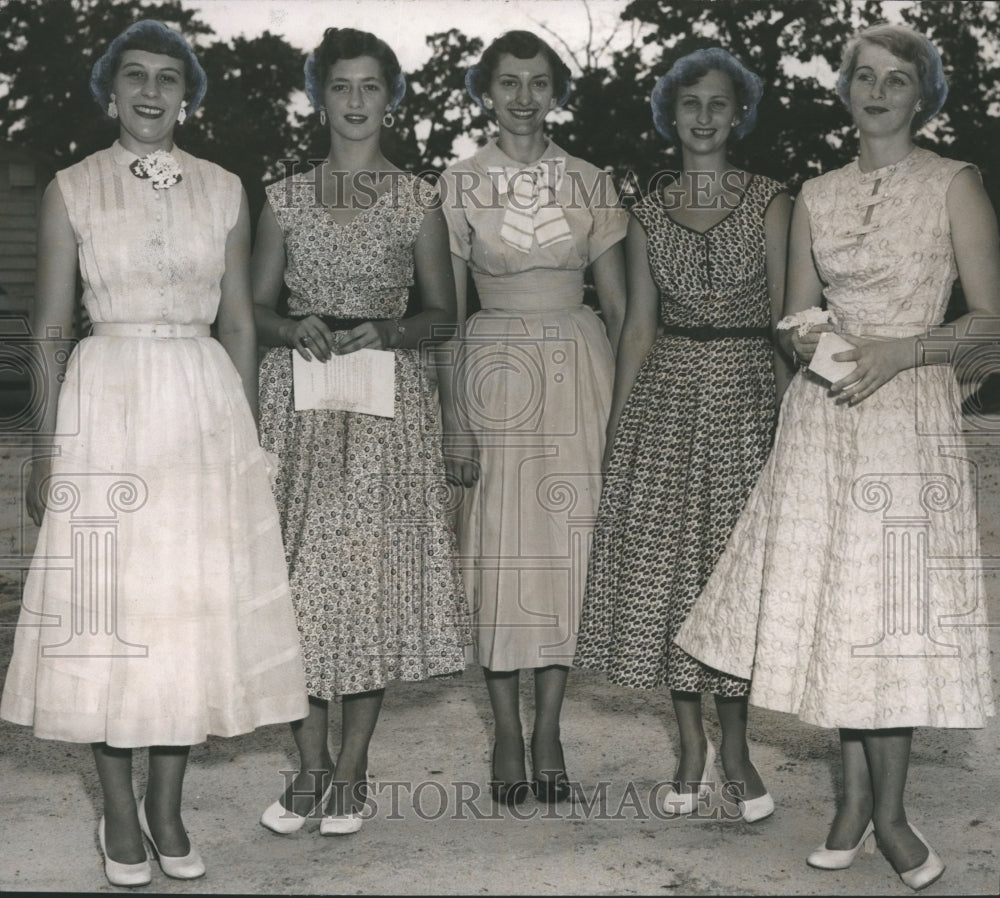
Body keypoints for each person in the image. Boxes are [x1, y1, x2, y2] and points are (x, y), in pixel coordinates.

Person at [676, 23, 997, 890]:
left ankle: (888, 815)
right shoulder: (813, 193)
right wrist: (830, 351)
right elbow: (795, 317)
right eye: (866, 76)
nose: (880, 91)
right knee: (840, 617)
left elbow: (992, 325)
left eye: (898, 79)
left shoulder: (954, 183)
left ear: (921, 94)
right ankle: (853, 808)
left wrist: (903, 353)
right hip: (822, 418)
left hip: (909, 416)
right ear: (846, 89)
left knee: (891, 617)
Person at [0, 19, 308, 887]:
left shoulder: (225, 189)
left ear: (188, 97)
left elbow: (242, 322)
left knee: (186, 612)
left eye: (169, 79)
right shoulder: (72, 189)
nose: (150, 91)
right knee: (112, 609)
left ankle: (168, 810)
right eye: (134, 75)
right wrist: (45, 448)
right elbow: (52, 325)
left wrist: (245, 441)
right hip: (108, 405)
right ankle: (118, 812)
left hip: (201, 408)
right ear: (110, 91)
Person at [252, 27, 469, 837]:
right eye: (339, 86)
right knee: (299, 587)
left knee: (366, 586)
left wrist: (391, 328)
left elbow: (444, 312)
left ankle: (352, 768)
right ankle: (308, 766)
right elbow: (253, 310)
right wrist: (290, 324)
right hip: (298, 402)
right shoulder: (282, 195)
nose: (353, 102)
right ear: (319, 96)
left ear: (391, 96)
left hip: (385, 403)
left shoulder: (419, 199)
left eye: (369, 87)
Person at [574, 46, 791, 823]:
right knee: (673, 581)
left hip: (743, 397)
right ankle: (691, 747)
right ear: (672, 115)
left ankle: (735, 748)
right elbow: (635, 325)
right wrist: (617, 431)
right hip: (666, 399)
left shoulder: (772, 201)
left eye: (718, 104)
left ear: (739, 115)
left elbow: (787, 326)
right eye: (689, 103)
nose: (703, 117)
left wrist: (790, 430)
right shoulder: (646, 208)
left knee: (730, 577)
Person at [439, 30, 628, 805]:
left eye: (539, 83)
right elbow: (446, 314)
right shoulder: (456, 183)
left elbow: (617, 305)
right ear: (487, 92)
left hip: (579, 367)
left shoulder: (590, 181)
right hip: (493, 370)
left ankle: (549, 725)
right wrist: (454, 415)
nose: (524, 98)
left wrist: (627, 409)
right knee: (500, 551)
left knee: (564, 549)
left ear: (556, 93)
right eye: (509, 83)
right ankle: (507, 732)